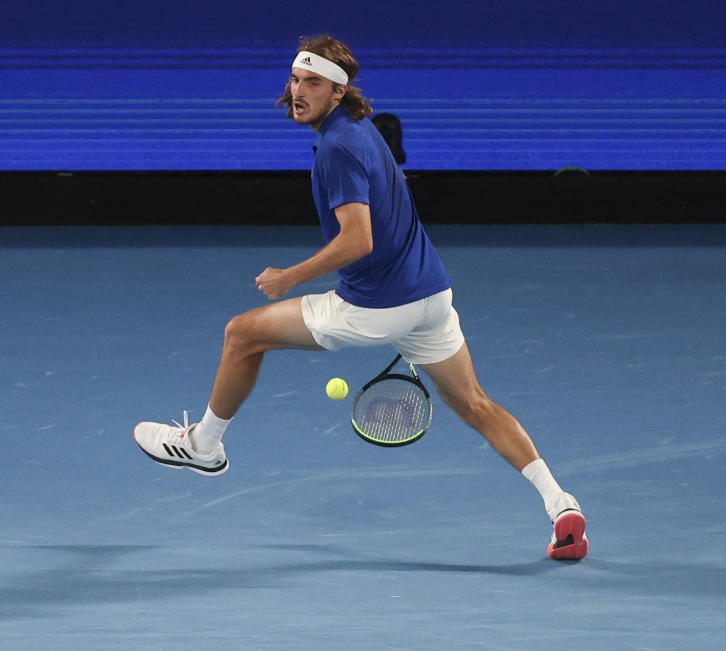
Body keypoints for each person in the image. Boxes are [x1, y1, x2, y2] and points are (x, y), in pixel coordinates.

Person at [133, 35, 588, 560]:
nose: (299, 92)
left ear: (338, 91)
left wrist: (290, 277)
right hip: (431, 295)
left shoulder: (336, 149)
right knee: (475, 404)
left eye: (313, 84)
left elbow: (358, 240)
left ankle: (204, 447)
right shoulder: (360, 131)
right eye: (295, 80)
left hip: (375, 308)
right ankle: (562, 507)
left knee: (243, 334)